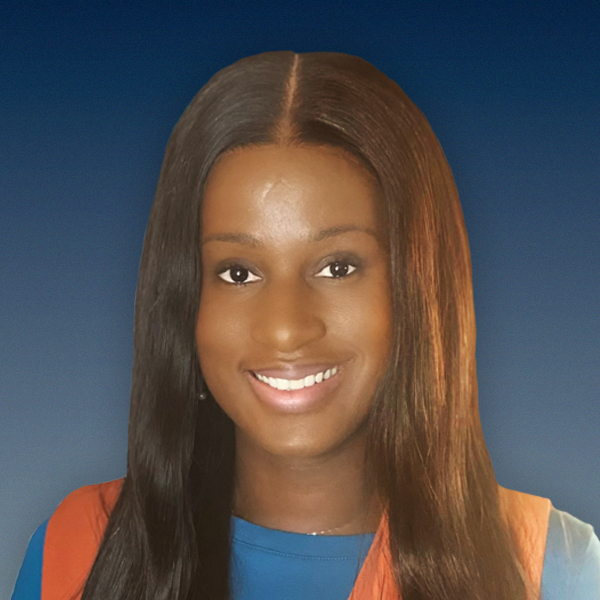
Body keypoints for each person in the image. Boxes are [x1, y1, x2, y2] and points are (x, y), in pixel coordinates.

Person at [12, 51, 600, 600]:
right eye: (238, 273)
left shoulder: (553, 569)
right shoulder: (78, 551)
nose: (286, 330)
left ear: (418, 288)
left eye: (337, 267)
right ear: (184, 300)